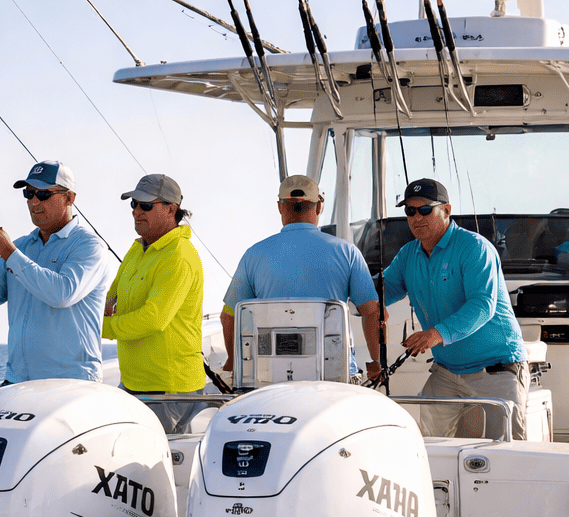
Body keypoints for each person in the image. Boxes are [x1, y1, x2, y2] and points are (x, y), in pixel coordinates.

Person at [381, 178, 531, 439]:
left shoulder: (475, 248)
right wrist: (357, 294)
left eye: (425, 209)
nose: (417, 217)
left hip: (496, 369)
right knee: (427, 448)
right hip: (446, 372)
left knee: (506, 454)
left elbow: (482, 304)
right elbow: (378, 293)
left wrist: (434, 335)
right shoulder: (407, 255)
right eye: (410, 211)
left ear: (446, 210)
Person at [219, 174, 383, 382]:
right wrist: (376, 363)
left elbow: (228, 316)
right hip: (333, 374)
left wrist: (234, 365)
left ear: (280, 207)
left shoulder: (253, 254)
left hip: (271, 376)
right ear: (318, 207)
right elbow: (371, 311)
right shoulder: (347, 252)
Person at [0, 160, 111, 383]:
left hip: (72, 383)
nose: (34, 201)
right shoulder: (20, 247)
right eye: (29, 193)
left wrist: (9, 253)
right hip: (17, 381)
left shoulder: (89, 246)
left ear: (69, 198)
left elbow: (62, 294)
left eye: (43, 194)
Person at [103, 173, 206, 429]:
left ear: (171, 209)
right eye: (134, 204)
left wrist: (99, 327)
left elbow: (154, 318)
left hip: (169, 391)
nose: (137, 211)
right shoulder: (137, 249)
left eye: (146, 205)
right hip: (134, 384)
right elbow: (110, 296)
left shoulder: (179, 256)